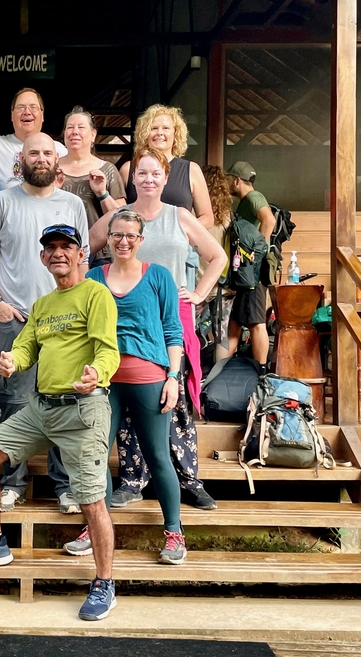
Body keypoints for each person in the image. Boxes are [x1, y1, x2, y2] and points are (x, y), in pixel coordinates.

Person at [0, 223, 120, 622]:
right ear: (43, 258)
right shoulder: (43, 305)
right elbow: (25, 348)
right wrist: (11, 361)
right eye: (51, 248)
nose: (59, 253)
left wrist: (97, 372)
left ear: (82, 255)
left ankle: (105, 582)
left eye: (67, 247)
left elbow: (108, 349)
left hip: (83, 409)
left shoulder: (96, 294)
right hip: (41, 408)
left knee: (91, 500)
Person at [89, 148, 227, 511]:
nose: (148, 178)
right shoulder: (121, 217)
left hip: (171, 315)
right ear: (132, 178)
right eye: (142, 173)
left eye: (155, 173)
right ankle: (132, 480)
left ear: (166, 179)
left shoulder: (179, 215)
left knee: (174, 398)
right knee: (129, 407)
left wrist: (198, 293)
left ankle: (188, 480)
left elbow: (218, 256)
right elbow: (84, 250)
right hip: (127, 321)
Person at [0, 133, 91, 514]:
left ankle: (64, 486)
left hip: (64, 319)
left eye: (46, 153)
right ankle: (12, 482)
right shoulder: (4, 201)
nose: (40, 158)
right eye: (33, 153)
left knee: (63, 400)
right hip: (17, 318)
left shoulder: (72, 203)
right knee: (14, 402)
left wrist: (80, 309)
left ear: (57, 161)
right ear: (20, 159)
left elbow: (83, 261)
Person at [79, 209, 186, 565]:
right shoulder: (92, 278)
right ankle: (95, 528)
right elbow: (81, 332)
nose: (123, 241)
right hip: (104, 382)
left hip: (149, 379)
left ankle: (174, 533)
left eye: (131, 236)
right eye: (117, 235)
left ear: (141, 240)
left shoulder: (158, 276)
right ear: (107, 238)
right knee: (95, 458)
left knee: (158, 455)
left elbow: (173, 329)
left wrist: (173, 377)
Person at [120, 104, 213, 229]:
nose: (159, 133)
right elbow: (116, 212)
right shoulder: (128, 169)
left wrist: (178, 231)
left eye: (166, 128)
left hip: (178, 245)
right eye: (154, 128)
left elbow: (207, 218)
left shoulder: (191, 170)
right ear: (145, 133)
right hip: (138, 244)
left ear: (176, 134)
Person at [55, 106, 125, 265]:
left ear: (93, 134)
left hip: (100, 257)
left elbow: (122, 217)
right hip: (58, 254)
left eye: (81, 127)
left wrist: (102, 194)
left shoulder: (107, 170)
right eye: (70, 127)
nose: (74, 132)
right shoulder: (52, 169)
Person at [227, 161, 275, 367]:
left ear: (237, 181)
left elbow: (269, 220)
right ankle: (223, 368)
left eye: (229, 179)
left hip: (252, 271)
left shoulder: (254, 197)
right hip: (244, 271)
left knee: (256, 322)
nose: (227, 183)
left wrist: (258, 254)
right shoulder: (245, 201)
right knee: (235, 322)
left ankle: (260, 371)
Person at [0, 87, 67, 190]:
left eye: (33, 107)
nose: (27, 112)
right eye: (20, 107)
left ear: (42, 115)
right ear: (12, 115)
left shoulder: (58, 149)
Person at [200, 164, 235, 364]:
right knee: (221, 333)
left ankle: (193, 377)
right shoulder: (227, 215)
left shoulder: (197, 214)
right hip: (224, 283)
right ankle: (216, 379)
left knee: (192, 330)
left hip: (199, 281)